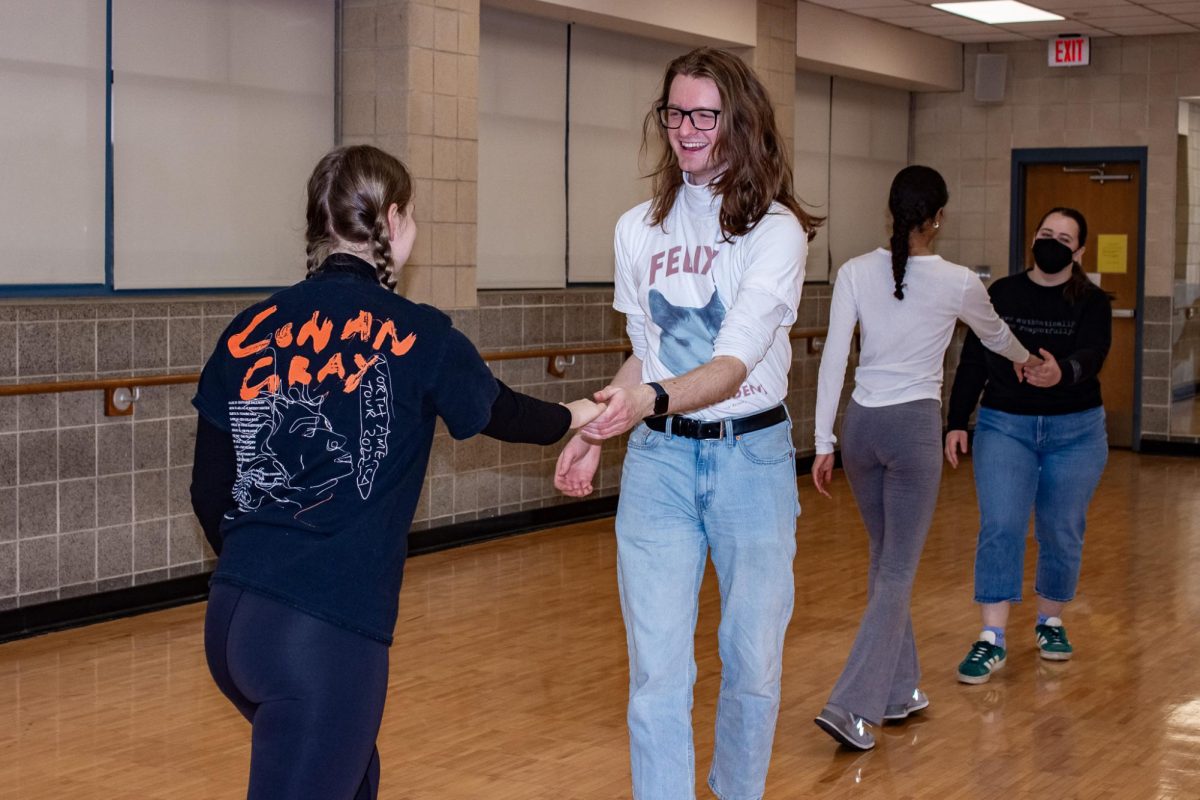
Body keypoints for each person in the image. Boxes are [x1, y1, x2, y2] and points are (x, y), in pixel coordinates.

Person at [189, 144, 604, 800]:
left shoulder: (249, 328)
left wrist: (264, 573)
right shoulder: (421, 335)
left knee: (355, 780)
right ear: (395, 218)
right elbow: (498, 411)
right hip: (322, 637)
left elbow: (208, 489)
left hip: (233, 623)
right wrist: (582, 413)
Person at [554, 47, 819, 800]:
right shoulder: (637, 228)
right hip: (660, 465)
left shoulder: (776, 233)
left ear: (740, 122)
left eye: (705, 114)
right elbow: (647, 354)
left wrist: (650, 400)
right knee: (657, 671)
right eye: (675, 112)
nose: (688, 128)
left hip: (751, 458)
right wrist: (597, 425)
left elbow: (732, 364)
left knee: (753, 664)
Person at [810, 165, 1039, 751]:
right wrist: (1026, 359)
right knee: (895, 570)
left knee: (887, 560)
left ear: (892, 214)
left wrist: (823, 441)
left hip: (860, 427)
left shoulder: (854, 271)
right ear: (937, 219)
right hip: (912, 432)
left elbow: (835, 357)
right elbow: (995, 336)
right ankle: (851, 705)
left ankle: (900, 689)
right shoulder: (959, 280)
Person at [946, 206, 1111, 685]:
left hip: (1076, 431)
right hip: (1006, 425)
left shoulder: (1092, 301)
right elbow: (975, 357)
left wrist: (1063, 371)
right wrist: (957, 419)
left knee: (1061, 529)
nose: (1052, 242)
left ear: (1079, 251)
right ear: (1031, 240)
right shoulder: (1002, 293)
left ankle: (1050, 622)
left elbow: (1093, 354)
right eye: (1045, 233)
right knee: (1001, 525)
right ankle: (991, 638)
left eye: (1064, 237)